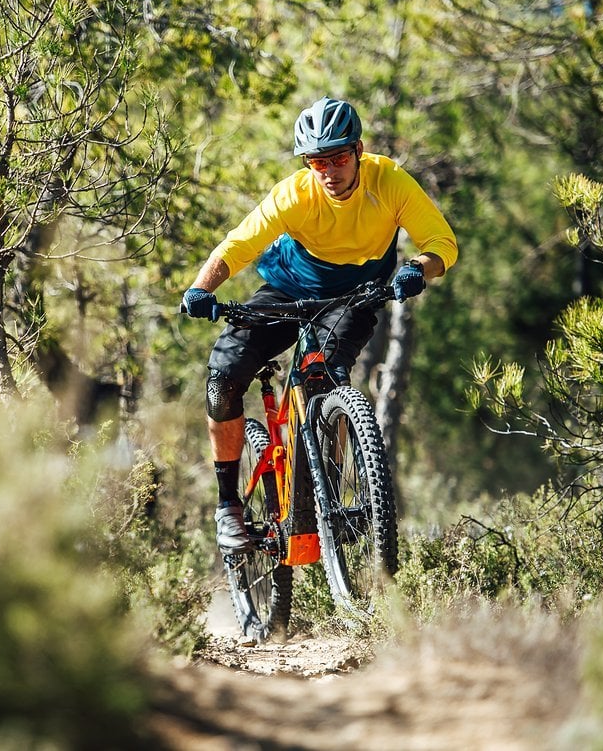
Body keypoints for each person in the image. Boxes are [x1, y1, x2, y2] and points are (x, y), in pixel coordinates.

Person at [181, 96, 458, 554]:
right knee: (224, 377)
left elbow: (441, 242)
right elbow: (238, 246)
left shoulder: (388, 181)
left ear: (359, 151)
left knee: (327, 378)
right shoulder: (296, 194)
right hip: (287, 290)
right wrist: (200, 288)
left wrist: (417, 268)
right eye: (316, 161)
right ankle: (228, 506)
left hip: (354, 295)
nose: (328, 170)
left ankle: (326, 496)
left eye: (338, 157)